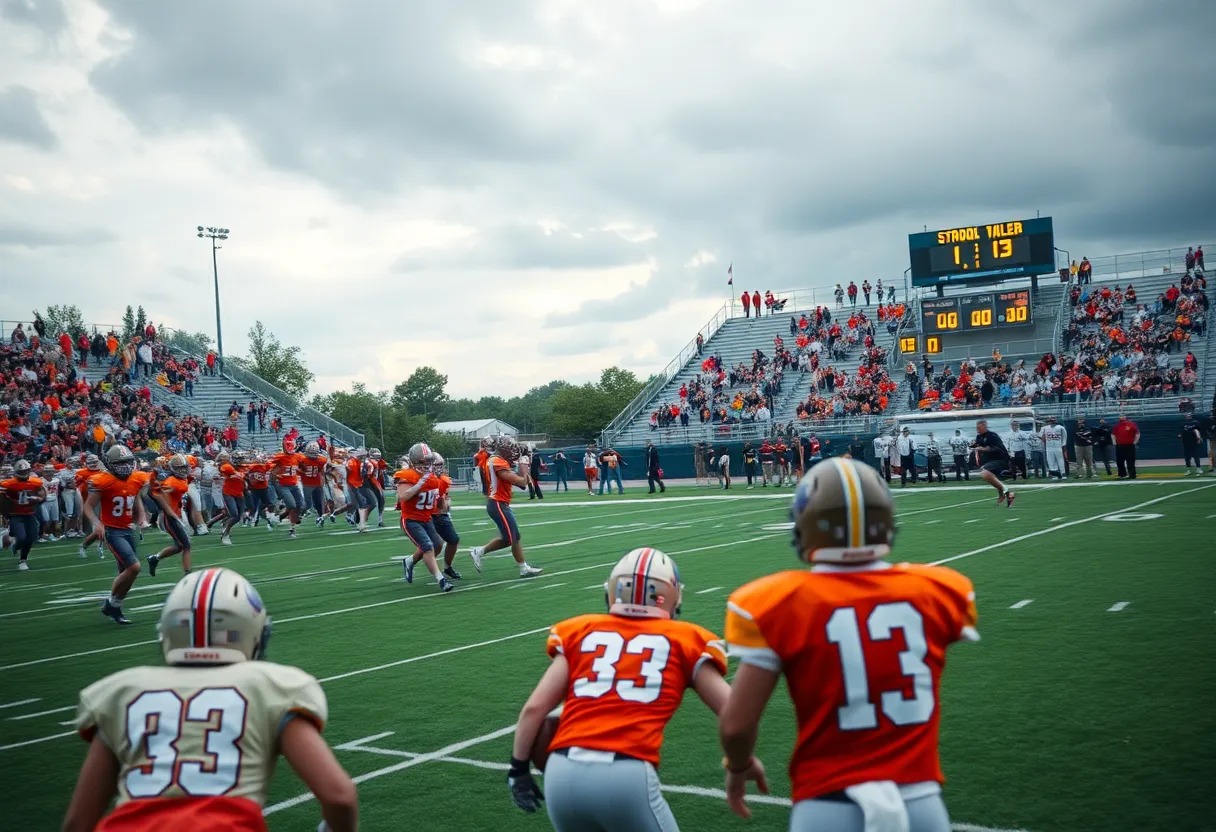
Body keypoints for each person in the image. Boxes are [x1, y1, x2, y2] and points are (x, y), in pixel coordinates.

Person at [719, 459, 977, 829]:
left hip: (827, 803)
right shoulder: (938, 591)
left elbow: (736, 727)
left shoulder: (779, 602)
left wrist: (738, 765)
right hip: (918, 801)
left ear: (804, 522)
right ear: (885, 520)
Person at [63, 567, 358, 832]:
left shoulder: (123, 692)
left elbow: (78, 823)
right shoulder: (270, 687)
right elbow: (339, 797)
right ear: (252, 631)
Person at [507, 548, 759, 830]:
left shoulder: (580, 631)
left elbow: (533, 709)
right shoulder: (686, 639)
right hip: (625, 773)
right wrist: (741, 762)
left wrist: (518, 770)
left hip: (561, 772)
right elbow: (734, 714)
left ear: (611, 591)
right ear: (673, 597)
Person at [85, 445, 153, 624]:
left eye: (127, 462)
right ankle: (112, 603)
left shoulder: (137, 478)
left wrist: (141, 517)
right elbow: (88, 506)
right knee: (134, 567)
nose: (124, 466)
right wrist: (96, 523)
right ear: (110, 463)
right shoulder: (103, 480)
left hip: (128, 528)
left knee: (126, 573)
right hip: (112, 530)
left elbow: (136, 497)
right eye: (119, 462)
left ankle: (115, 608)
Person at [467, 436, 543, 578]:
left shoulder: (498, 461)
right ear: (502, 449)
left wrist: (523, 464)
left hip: (500, 503)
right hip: (497, 503)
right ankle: (480, 552)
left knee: (513, 537)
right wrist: (524, 462)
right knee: (511, 538)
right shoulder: (496, 461)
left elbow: (521, 483)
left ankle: (521, 567)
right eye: (510, 448)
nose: (513, 451)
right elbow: (522, 481)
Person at [394, 442, 453, 592]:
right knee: (427, 547)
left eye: (429, 461)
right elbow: (403, 496)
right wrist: (419, 484)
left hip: (427, 518)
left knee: (438, 545)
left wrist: (443, 502)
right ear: (414, 461)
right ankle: (441, 580)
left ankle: (409, 561)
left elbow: (438, 502)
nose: (427, 464)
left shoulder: (433, 479)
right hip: (411, 519)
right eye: (423, 461)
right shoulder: (407, 475)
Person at [146, 454, 192, 577]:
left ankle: (154, 558)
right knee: (186, 545)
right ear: (172, 469)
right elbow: (157, 494)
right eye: (179, 468)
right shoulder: (170, 482)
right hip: (171, 517)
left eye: (184, 467)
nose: (182, 470)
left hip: (177, 513)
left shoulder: (180, 479)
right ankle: (187, 574)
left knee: (179, 547)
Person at [3, 460, 46, 571]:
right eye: (21, 471)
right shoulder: (8, 484)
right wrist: (8, 509)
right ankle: (15, 546)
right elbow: (2, 500)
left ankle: (23, 560)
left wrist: (37, 499)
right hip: (15, 514)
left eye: (25, 470)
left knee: (31, 537)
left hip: (30, 513)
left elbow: (43, 495)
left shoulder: (35, 482)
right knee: (21, 537)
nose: (23, 473)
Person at [427, 453, 464, 581]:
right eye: (436, 464)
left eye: (440, 465)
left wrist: (447, 502)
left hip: (441, 514)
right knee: (435, 545)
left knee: (453, 539)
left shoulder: (443, 478)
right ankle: (411, 563)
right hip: (427, 514)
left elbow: (446, 497)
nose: (439, 467)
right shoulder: (425, 478)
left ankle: (447, 567)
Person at [972, 420, 1015, 506]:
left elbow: (995, 448)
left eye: (979, 428)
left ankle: (1006, 491)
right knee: (993, 478)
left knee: (984, 473)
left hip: (1001, 459)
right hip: (991, 460)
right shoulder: (979, 437)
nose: (977, 430)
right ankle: (1005, 495)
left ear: (984, 426)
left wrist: (983, 449)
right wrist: (974, 446)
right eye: (977, 428)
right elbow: (978, 445)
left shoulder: (992, 435)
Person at [1039, 416, 1068, 480]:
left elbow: (1064, 436)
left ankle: (1063, 473)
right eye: (1051, 421)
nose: (1052, 422)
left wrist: (1063, 444)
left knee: (1060, 460)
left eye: (1053, 421)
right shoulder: (1044, 428)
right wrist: (1043, 438)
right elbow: (1041, 436)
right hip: (1049, 447)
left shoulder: (1060, 427)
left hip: (1058, 446)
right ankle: (1055, 474)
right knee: (1051, 461)